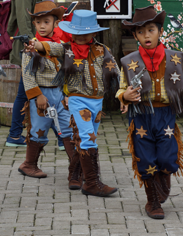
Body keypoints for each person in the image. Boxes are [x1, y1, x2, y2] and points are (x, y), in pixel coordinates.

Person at [117, 6, 183, 219]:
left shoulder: (174, 60)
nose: (147, 35)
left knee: (166, 156)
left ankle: (164, 178)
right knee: (145, 159)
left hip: (165, 116)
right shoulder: (129, 62)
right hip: (141, 115)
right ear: (135, 35)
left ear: (160, 32)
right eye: (142, 31)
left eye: (151, 30)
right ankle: (152, 201)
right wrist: (124, 96)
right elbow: (121, 87)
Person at [28, 10, 120, 197]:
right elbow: (51, 48)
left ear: (94, 33)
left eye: (84, 33)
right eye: (76, 33)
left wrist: (123, 94)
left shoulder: (103, 50)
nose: (79, 37)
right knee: (86, 136)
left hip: (97, 102)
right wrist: (36, 44)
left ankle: (76, 174)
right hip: (77, 100)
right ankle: (92, 182)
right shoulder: (66, 49)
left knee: (88, 137)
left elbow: (116, 72)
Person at [19, 1, 82, 190]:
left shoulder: (61, 46)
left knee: (68, 127)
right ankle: (29, 164)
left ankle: (77, 167)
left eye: (47, 22)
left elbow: (69, 69)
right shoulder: (29, 48)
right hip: (41, 93)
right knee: (38, 128)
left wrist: (69, 92)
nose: (42, 26)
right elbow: (27, 75)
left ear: (56, 23)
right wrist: (37, 95)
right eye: (38, 23)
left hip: (60, 92)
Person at [5, 0, 55, 147]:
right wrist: (33, 47)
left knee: (26, 90)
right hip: (31, 48)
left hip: (39, 47)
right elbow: (25, 23)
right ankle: (16, 135)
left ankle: (16, 135)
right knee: (25, 90)